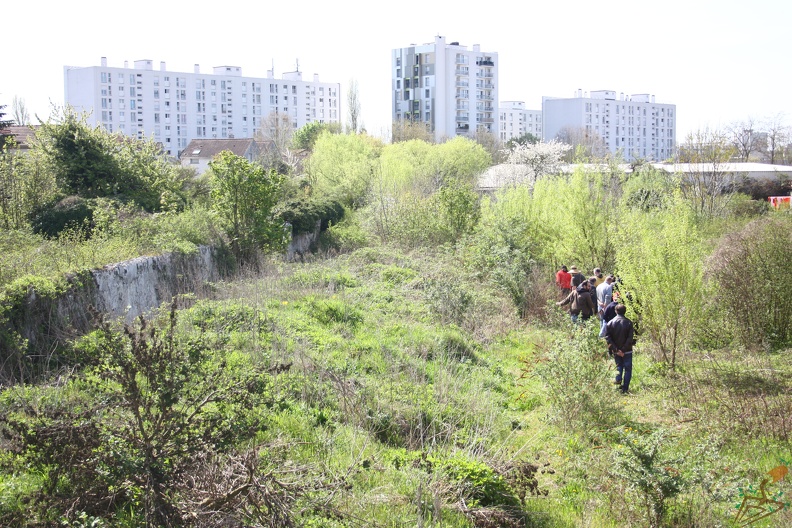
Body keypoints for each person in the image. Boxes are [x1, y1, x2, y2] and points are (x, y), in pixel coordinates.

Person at [604, 303, 636, 394]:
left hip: (616, 350)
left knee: (619, 366)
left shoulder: (610, 323)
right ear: (625, 311)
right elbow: (630, 338)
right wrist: (624, 349)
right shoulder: (629, 322)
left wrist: (617, 349)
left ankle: (618, 381)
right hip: (627, 350)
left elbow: (608, 338)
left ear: (616, 311)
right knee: (628, 369)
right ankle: (625, 388)